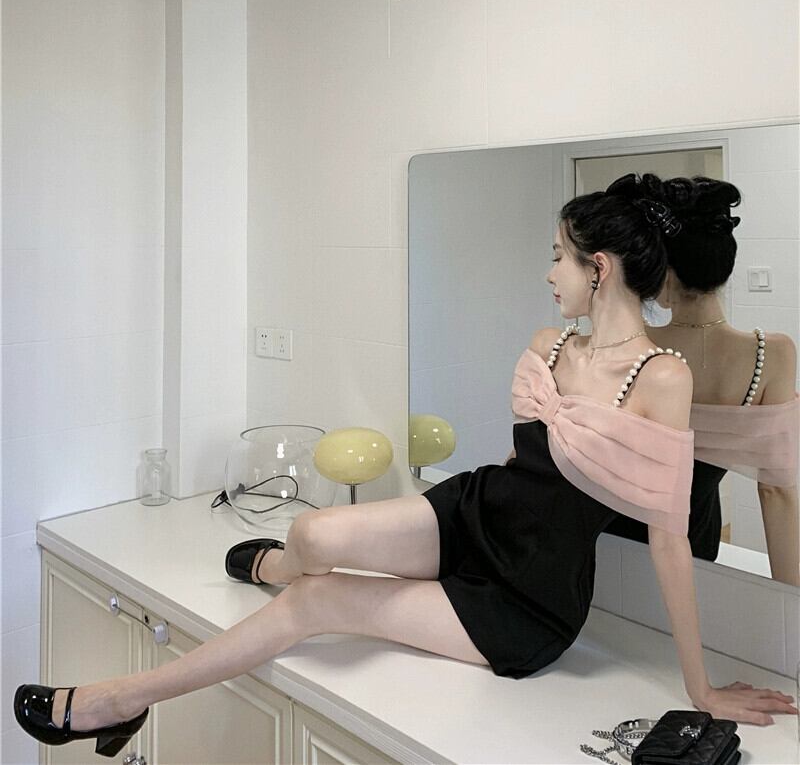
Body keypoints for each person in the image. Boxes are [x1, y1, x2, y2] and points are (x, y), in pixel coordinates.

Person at [14, 176, 797, 760]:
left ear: (598, 268)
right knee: (312, 535)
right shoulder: (549, 342)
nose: (547, 272)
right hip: (475, 511)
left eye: (557, 256)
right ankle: (281, 563)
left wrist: (700, 686)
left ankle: (122, 698)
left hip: (528, 596)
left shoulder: (663, 377)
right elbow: (522, 463)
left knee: (317, 600)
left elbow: (668, 537)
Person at [604, 176, 799, 586]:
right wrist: (790, 598)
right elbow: (776, 491)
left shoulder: (629, 344)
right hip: (697, 541)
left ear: (664, 273)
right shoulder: (773, 354)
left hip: (613, 539)